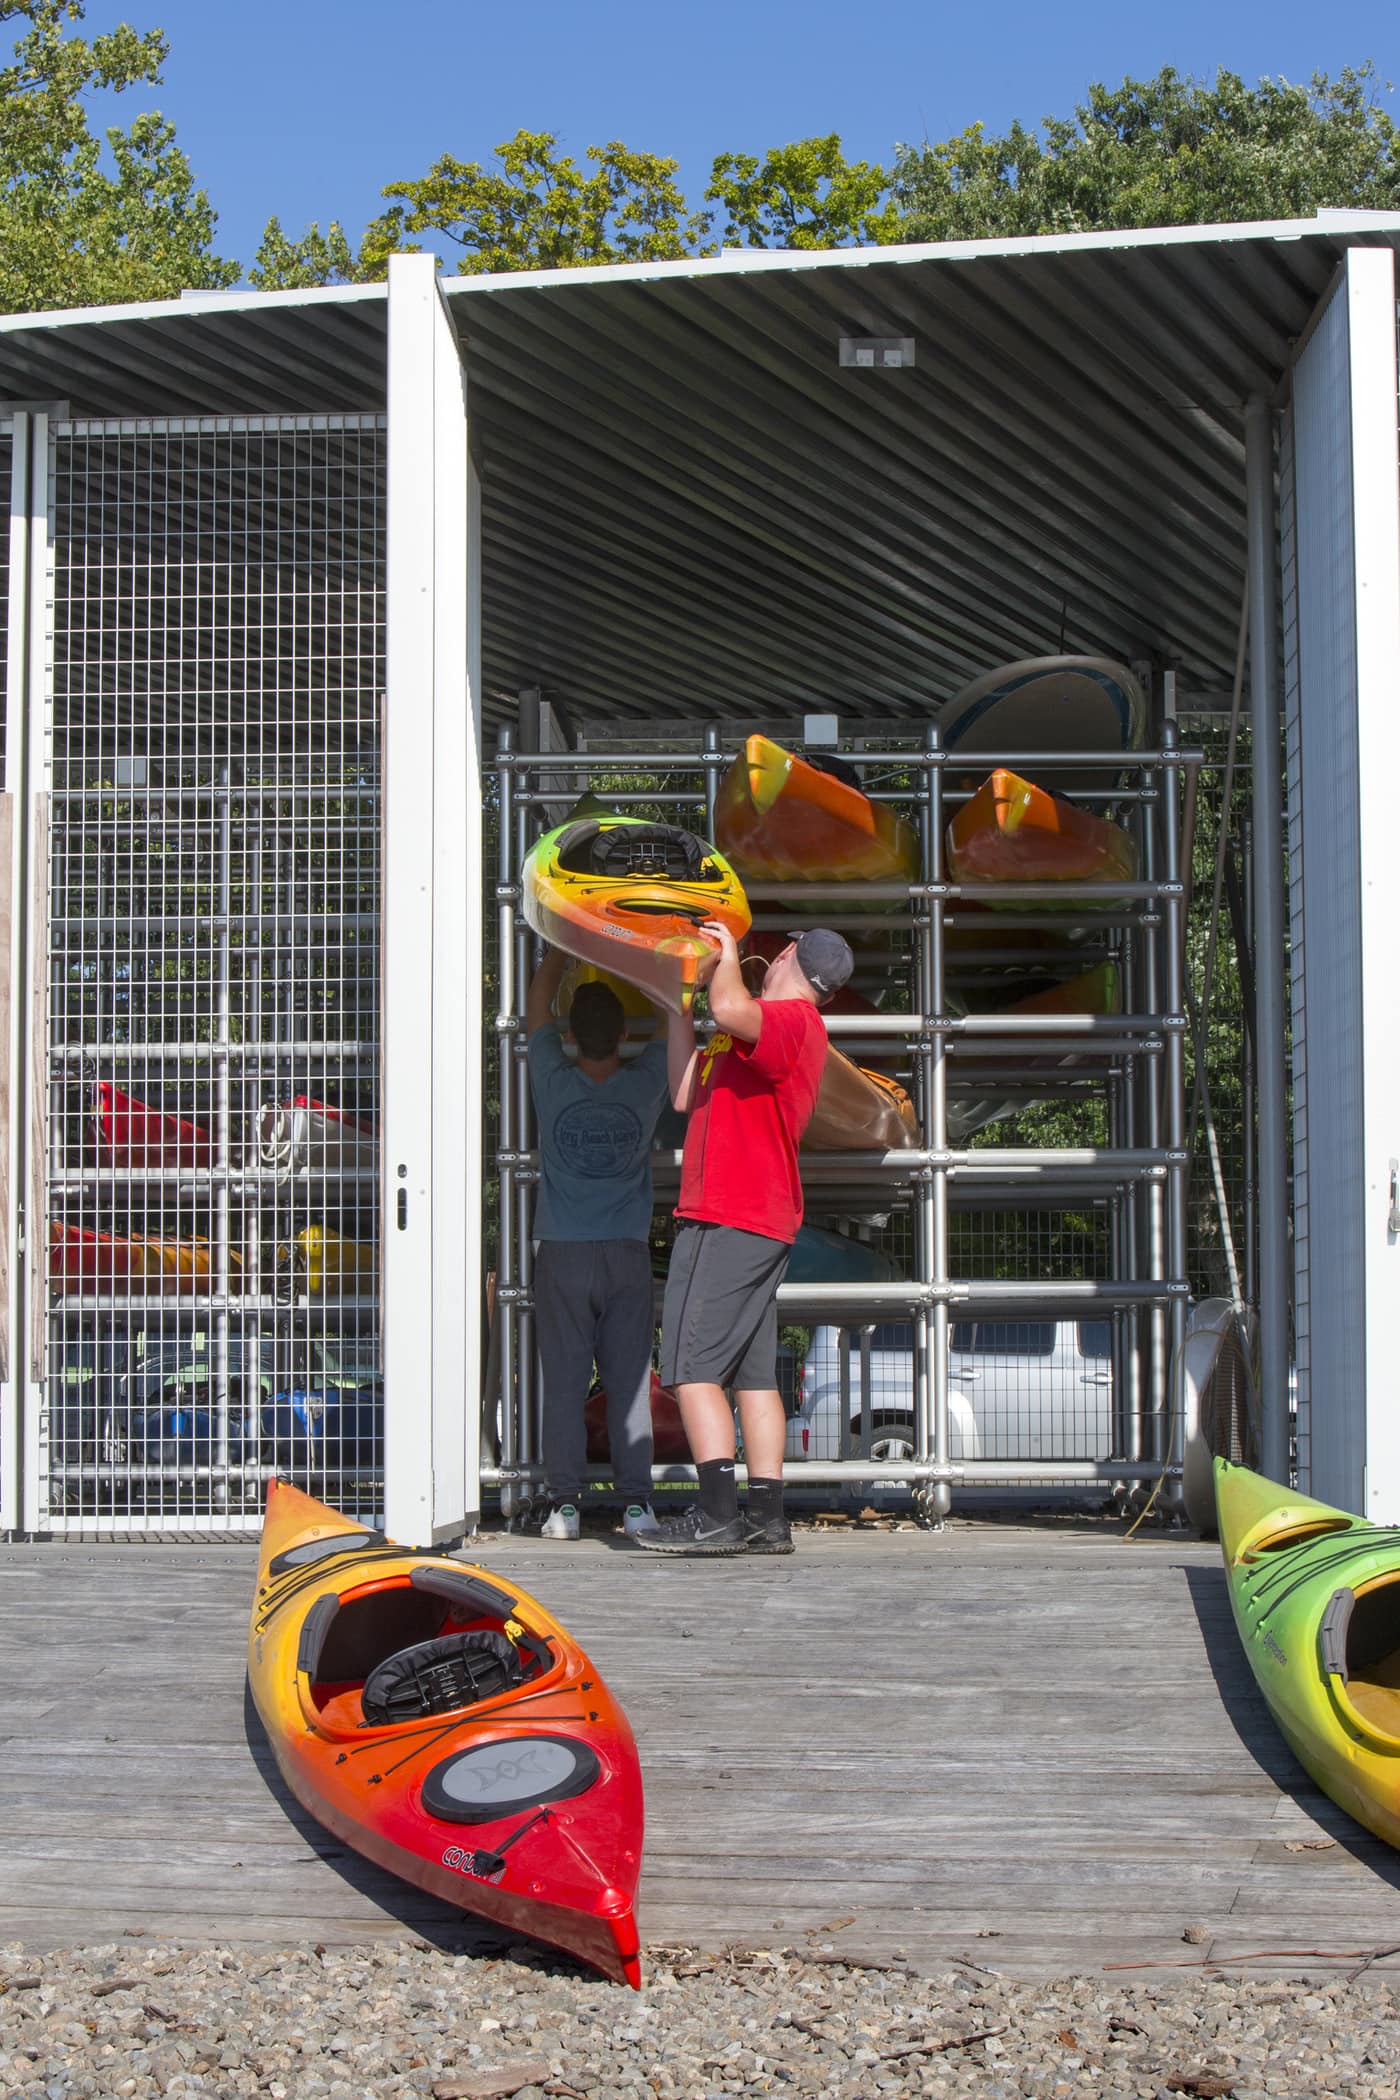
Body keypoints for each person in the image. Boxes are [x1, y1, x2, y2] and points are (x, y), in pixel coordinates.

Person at [634, 924, 855, 1557]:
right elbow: (684, 1091)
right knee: (754, 1378)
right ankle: (765, 1517)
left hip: (730, 1213)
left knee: (690, 1368)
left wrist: (725, 953)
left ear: (785, 957)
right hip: (761, 1218)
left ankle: (716, 1515)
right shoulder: (760, 1033)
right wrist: (678, 1008)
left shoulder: (788, 1019)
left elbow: (729, 1005)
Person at [525, 949, 671, 1540]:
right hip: (627, 1252)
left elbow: (535, 1010)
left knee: (563, 1384)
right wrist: (650, 957)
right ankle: (637, 1505)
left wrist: (561, 952)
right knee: (630, 1379)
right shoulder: (646, 1083)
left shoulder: (550, 1080)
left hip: (562, 1251)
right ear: (622, 1034)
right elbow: (672, 1016)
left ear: (569, 1033)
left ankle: (564, 1506)